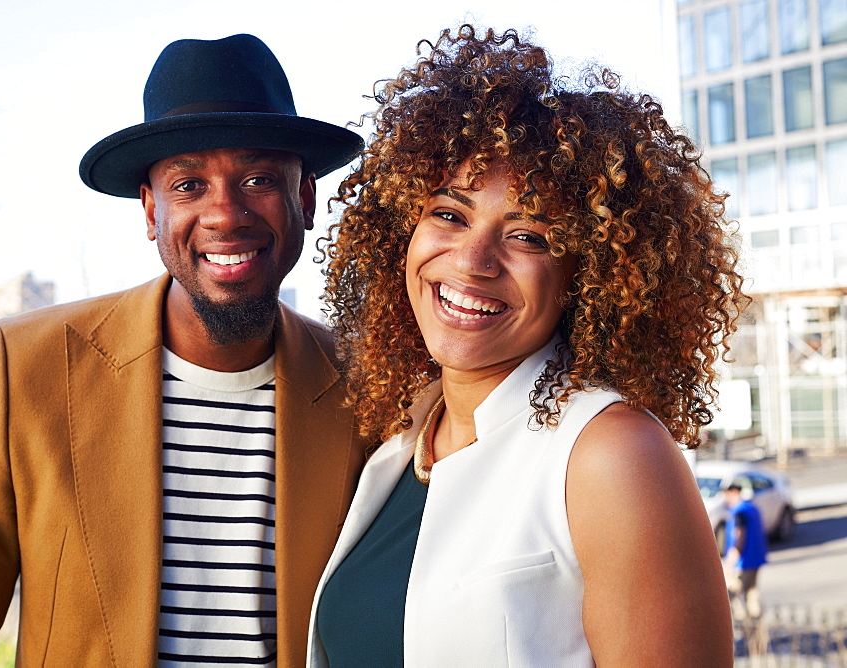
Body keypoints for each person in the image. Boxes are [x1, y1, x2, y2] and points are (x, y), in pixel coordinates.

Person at [0, 34, 369, 666]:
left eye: (257, 179)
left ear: (303, 198)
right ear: (151, 211)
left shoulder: (368, 388)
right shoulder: (25, 368)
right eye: (190, 184)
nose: (225, 214)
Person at [307, 26, 742, 666]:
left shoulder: (610, 455)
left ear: (586, 275)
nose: (473, 260)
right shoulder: (396, 447)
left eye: (530, 236)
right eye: (450, 215)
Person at [723, 483, 768, 621]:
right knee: (752, 594)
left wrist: (728, 563)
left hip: (742, 563)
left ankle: (742, 622)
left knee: (730, 593)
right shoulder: (752, 508)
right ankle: (756, 627)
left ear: (734, 492)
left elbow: (739, 538)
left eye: (726, 494)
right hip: (756, 559)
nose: (725, 499)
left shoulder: (739, 512)